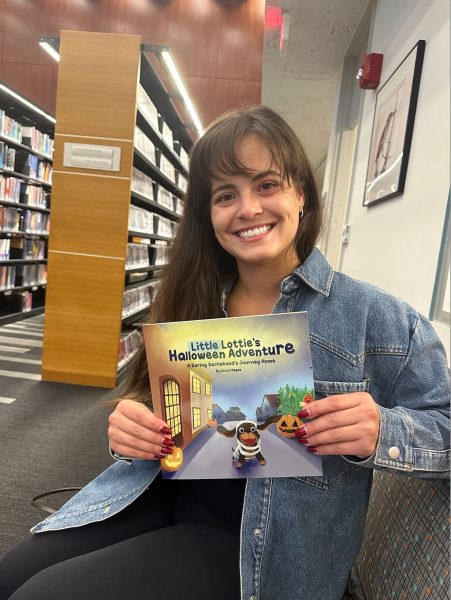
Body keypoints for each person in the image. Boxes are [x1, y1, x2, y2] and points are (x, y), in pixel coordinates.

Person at [0, 105, 449, 600]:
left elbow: (444, 426)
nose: (248, 209)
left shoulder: (378, 319)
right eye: (225, 195)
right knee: (12, 574)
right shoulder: (194, 298)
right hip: (156, 493)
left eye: (266, 185)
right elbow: (160, 418)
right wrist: (130, 430)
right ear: (208, 215)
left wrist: (380, 431)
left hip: (259, 548)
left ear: (301, 192)